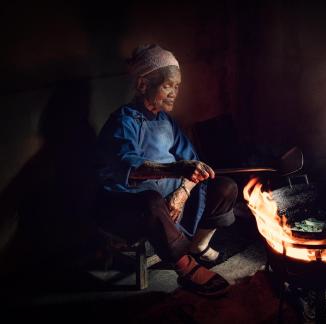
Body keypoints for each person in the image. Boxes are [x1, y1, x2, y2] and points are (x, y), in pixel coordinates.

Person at [95, 44, 237, 296]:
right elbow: (132, 169)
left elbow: (193, 164)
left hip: (170, 198)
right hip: (127, 205)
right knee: (151, 202)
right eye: (168, 86)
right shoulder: (123, 122)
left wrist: (182, 193)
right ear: (142, 86)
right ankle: (186, 268)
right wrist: (177, 169)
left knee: (225, 187)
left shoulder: (166, 121)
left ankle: (198, 246)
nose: (174, 93)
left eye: (177, 87)